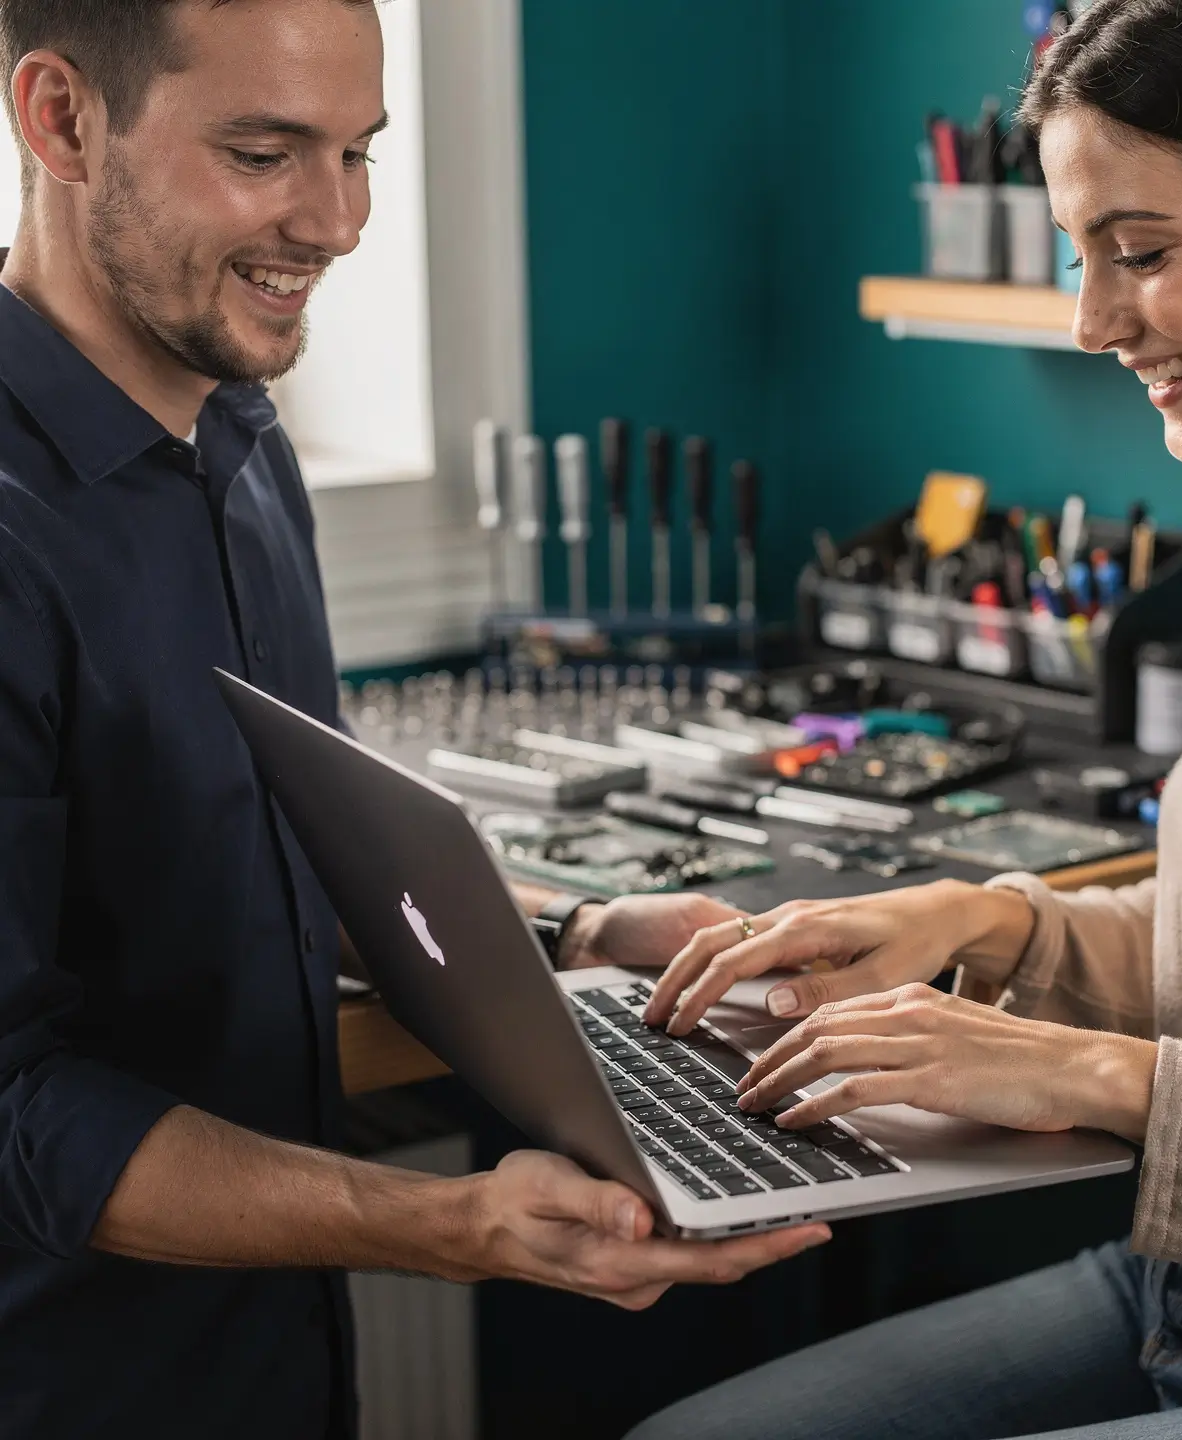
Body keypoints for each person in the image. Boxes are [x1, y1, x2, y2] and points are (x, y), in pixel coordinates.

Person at [0, 2, 829, 1436]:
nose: (338, 224)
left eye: (358, 153)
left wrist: (576, 934)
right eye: (264, 154)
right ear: (62, 119)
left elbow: (279, 862)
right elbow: (14, 1111)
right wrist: (452, 1225)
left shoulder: (238, 433)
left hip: (277, 1365)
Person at [630, 0, 1182, 1436]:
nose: (1092, 321)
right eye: (1080, 257)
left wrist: (1093, 1072)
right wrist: (988, 924)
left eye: (1143, 251)